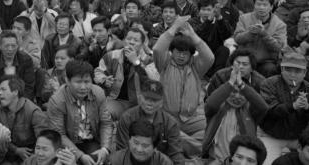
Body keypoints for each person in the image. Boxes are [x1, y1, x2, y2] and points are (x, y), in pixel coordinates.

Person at [152, 15, 213, 155]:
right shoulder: (164, 64)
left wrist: (192, 35)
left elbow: (209, 57)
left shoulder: (196, 67)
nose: (181, 56)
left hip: (192, 117)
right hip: (168, 116)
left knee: (212, 131)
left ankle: (184, 146)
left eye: (185, 53)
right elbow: (157, 49)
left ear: (191, 55)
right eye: (178, 52)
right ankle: (199, 150)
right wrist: (174, 27)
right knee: (168, 133)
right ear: (172, 52)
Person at [259, 51, 309, 165]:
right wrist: (292, 106)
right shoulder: (268, 84)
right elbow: (267, 111)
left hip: (298, 138)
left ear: (304, 73)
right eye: (288, 70)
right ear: (282, 70)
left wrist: (308, 107)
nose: (293, 75)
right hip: (271, 134)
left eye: (298, 71)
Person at [202, 49, 268, 164]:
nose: (240, 67)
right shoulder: (220, 75)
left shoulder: (260, 82)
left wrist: (242, 86)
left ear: (252, 68)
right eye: (237, 63)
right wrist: (230, 83)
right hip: (220, 123)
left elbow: (262, 107)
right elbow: (210, 104)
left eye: (245, 64)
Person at [46, 60, 111, 165]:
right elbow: (59, 134)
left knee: (101, 160)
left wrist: (105, 148)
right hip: (66, 143)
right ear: (67, 80)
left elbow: (106, 122)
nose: (83, 87)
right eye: (78, 82)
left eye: (87, 81)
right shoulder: (57, 100)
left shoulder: (98, 93)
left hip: (91, 140)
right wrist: (80, 155)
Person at [115, 79, 184, 165]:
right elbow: (122, 151)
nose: (150, 103)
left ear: (162, 102)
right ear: (140, 98)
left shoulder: (170, 123)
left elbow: (176, 154)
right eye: (146, 98)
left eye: (154, 100)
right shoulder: (127, 118)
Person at [94, 27, 155, 122]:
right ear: (123, 41)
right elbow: (98, 71)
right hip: (117, 100)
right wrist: (104, 80)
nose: (131, 42)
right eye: (128, 39)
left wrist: (136, 63)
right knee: (104, 112)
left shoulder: (148, 60)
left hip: (140, 104)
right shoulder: (112, 55)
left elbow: (152, 82)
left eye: (136, 40)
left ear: (142, 44)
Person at [0, 76, 50, 163]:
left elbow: (44, 140)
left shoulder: (33, 111)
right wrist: (16, 150)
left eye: (3, 90)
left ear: (15, 92)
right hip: (6, 156)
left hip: (30, 156)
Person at [233, 0, 287, 77]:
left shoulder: (280, 24)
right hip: (245, 58)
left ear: (271, 7)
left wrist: (264, 34)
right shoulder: (244, 18)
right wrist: (250, 33)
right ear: (254, 5)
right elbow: (237, 38)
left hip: (265, 61)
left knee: (270, 69)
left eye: (265, 5)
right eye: (258, 4)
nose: (261, 8)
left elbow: (278, 47)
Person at [0, 31, 36, 99]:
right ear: (0, 46)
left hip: (20, 99)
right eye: (6, 46)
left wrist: (19, 103)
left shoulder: (26, 59)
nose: (10, 49)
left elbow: (29, 87)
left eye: (13, 46)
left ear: (17, 46)